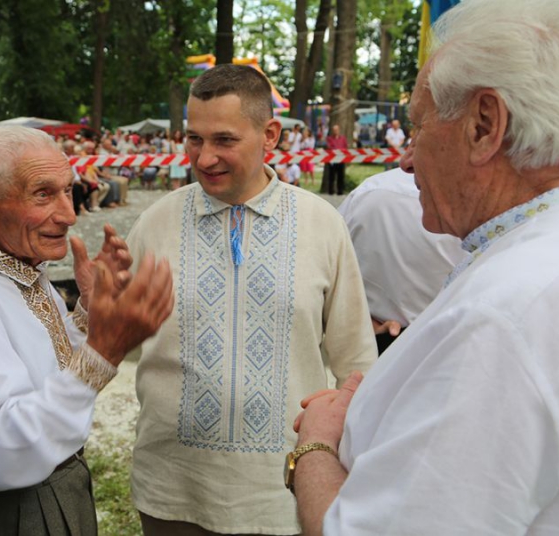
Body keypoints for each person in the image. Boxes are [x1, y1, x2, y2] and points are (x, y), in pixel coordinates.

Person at [293, 1, 559, 534]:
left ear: (484, 125)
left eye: (418, 127)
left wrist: (318, 441)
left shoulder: (501, 317)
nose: (404, 159)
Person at [127, 63, 377, 535]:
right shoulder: (155, 224)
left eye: (223, 140)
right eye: (193, 139)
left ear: (271, 135)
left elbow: (357, 362)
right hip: (172, 492)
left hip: (282, 495)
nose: (203, 158)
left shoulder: (322, 224)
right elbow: (111, 340)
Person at [0, 125, 174, 536]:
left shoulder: (20, 268)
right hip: (14, 511)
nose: (68, 215)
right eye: (42, 194)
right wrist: (101, 354)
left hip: (49, 492)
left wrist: (89, 312)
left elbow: (42, 371)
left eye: (68, 190)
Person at [337, 168, 466, 353]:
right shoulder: (484, 204)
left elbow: (326, 272)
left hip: (376, 343)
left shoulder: (369, 191)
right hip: (451, 345)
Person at [325, 124, 348, 195]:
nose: (335, 131)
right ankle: (331, 191)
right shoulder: (329, 138)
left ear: (339, 130)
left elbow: (345, 147)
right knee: (331, 176)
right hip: (333, 160)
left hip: (341, 159)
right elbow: (329, 147)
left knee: (340, 176)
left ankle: (340, 191)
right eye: (334, 130)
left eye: (337, 130)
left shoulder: (343, 138)